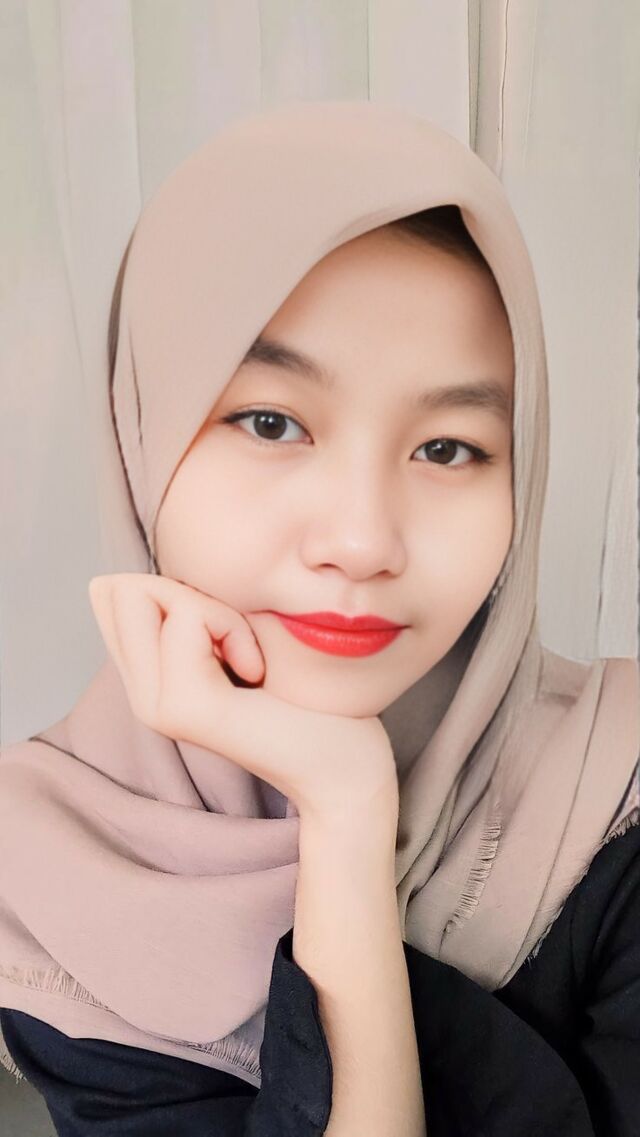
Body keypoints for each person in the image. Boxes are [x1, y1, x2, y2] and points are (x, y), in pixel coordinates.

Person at [0, 99, 638, 1137]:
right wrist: (345, 811)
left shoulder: (615, 790)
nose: (361, 539)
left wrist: (347, 815)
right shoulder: (56, 863)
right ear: (141, 436)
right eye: (271, 422)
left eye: (447, 448)